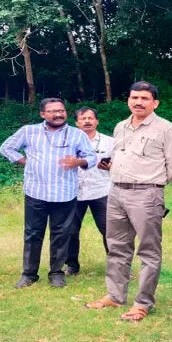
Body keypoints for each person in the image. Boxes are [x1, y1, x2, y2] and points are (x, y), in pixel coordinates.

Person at [86, 81, 172, 321]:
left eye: (144, 98)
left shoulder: (166, 129)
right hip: (116, 192)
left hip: (146, 195)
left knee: (148, 251)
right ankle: (115, 295)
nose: (138, 102)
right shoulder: (121, 127)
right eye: (134, 97)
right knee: (117, 247)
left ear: (155, 103)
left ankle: (143, 302)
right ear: (128, 100)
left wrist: (151, 183)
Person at [0, 98, 96, 289]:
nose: (58, 114)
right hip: (36, 192)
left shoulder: (77, 134)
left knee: (61, 234)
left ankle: (56, 273)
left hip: (65, 193)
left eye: (61, 110)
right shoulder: (29, 131)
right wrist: (25, 161)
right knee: (33, 234)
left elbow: (91, 157)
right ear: (42, 114)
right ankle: (29, 274)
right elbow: (6, 148)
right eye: (52, 111)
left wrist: (78, 162)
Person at [65, 107, 114, 276]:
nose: (87, 121)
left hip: (101, 190)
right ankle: (71, 265)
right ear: (76, 123)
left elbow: (121, 164)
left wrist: (110, 166)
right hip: (73, 191)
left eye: (90, 118)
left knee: (109, 230)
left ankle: (118, 266)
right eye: (83, 118)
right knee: (70, 230)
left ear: (97, 121)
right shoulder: (67, 141)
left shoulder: (110, 142)